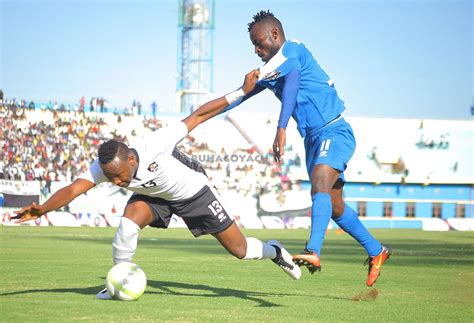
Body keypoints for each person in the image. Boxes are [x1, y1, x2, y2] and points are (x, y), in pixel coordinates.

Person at [13, 70, 301, 300]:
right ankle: (117, 281)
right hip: (155, 197)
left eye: (119, 176)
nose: (116, 182)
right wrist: (44, 209)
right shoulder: (106, 166)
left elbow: (199, 115)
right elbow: (75, 188)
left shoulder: (154, 142)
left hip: (194, 193)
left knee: (241, 251)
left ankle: (275, 251)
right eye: (111, 178)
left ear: (130, 159)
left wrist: (241, 92)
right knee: (126, 226)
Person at [217, 10, 391, 287]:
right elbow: (241, 95)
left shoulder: (293, 51)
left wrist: (282, 126)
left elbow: (294, 80)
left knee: (320, 185)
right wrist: (200, 116)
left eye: (259, 42)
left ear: (275, 34)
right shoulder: (271, 71)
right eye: (253, 45)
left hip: (334, 130)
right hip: (312, 140)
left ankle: (313, 251)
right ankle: (376, 250)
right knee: (334, 206)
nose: (256, 49)